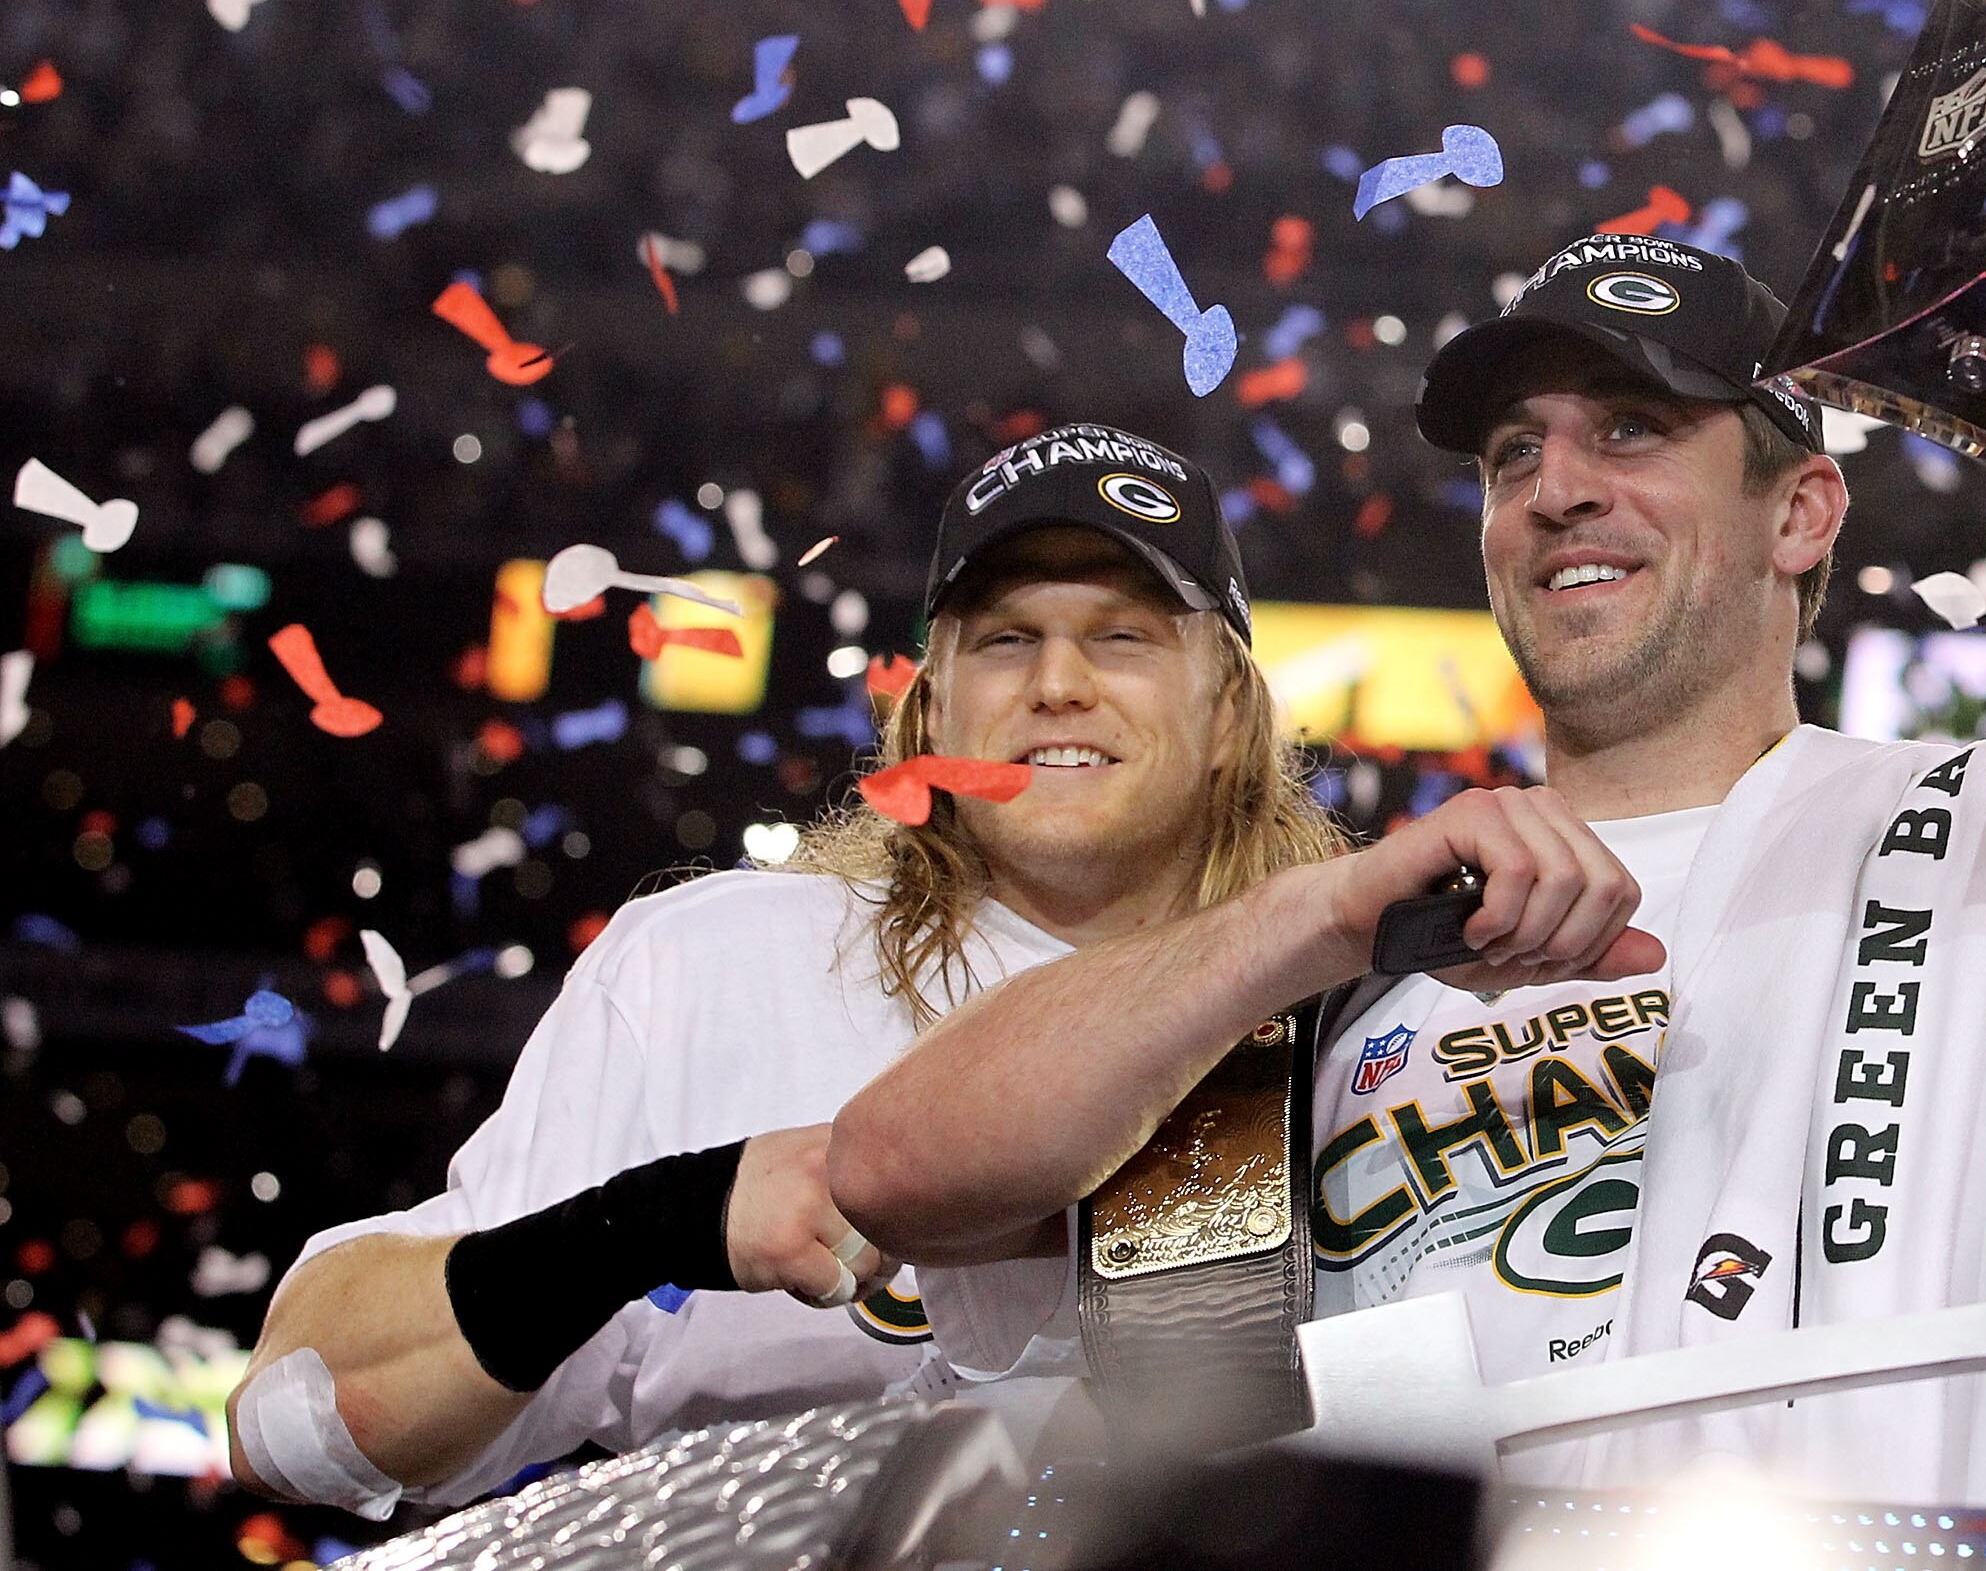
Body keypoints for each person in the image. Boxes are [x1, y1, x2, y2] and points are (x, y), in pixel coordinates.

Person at [832, 0, 1986, 1504]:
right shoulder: (1333, 948)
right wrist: (1313, 921)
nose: (1557, 488)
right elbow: (896, 1174)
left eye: (1632, 431)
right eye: (1514, 454)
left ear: (1800, 512)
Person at [225, 422, 1351, 1511]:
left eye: (1124, 637)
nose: (1058, 683)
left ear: (1228, 715)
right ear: (932, 711)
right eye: (1005, 638)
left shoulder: (1361, 1024)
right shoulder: (717, 966)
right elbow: (298, 1424)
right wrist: (656, 1222)